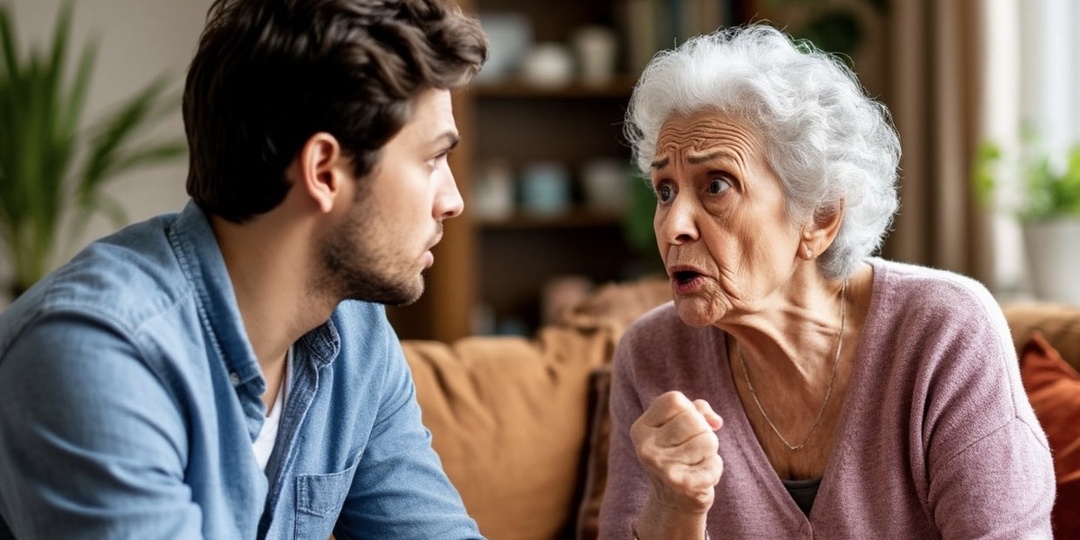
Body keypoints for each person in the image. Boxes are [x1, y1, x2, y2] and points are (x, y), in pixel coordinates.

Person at [0, 0, 487, 538]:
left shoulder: (358, 337)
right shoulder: (95, 352)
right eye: (432, 159)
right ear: (324, 171)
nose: (453, 200)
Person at [598, 24, 1055, 539]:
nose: (673, 224)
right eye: (664, 190)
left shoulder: (944, 332)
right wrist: (675, 509)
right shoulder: (653, 356)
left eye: (716, 184)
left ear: (818, 218)